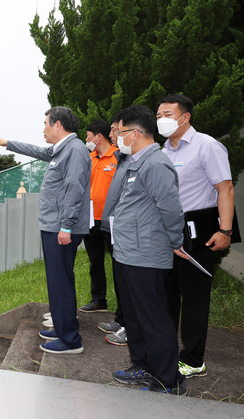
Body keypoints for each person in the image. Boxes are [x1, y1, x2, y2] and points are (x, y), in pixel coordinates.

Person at [0, 106, 91, 355]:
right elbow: (37, 151)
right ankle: (62, 326)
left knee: (61, 283)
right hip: (55, 226)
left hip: (61, 228)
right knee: (58, 281)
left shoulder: (75, 150)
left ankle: (70, 341)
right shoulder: (63, 149)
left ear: (58, 125)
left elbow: (75, 190)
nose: (43, 128)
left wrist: (66, 225)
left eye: (46, 123)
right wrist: (7, 143)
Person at [111, 105, 187, 395]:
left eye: (120, 132)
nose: (117, 137)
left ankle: (168, 380)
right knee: (134, 317)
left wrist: (175, 241)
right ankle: (142, 366)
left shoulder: (155, 163)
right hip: (127, 253)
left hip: (146, 255)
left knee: (153, 318)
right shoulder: (135, 162)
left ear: (135, 134)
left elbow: (171, 208)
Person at [157, 94, 235, 378]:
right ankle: (164, 352)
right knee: (166, 295)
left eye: (167, 114)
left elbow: (225, 189)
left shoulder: (207, 146)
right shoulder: (162, 152)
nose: (161, 120)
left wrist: (224, 230)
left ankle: (192, 359)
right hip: (166, 232)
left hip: (198, 231)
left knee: (194, 297)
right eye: (158, 116)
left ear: (185, 117)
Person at [96, 114, 129, 346]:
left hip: (126, 229)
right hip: (112, 226)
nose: (111, 134)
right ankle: (121, 318)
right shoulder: (123, 157)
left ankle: (130, 324)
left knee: (129, 279)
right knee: (120, 276)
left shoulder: (131, 159)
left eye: (115, 130)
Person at [79, 121, 117, 314]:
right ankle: (98, 300)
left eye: (87, 136)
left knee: (119, 263)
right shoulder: (89, 159)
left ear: (98, 137)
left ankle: (125, 306)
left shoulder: (119, 156)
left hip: (113, 220)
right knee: (95, 261)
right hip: (91, 219)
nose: (86, 140)